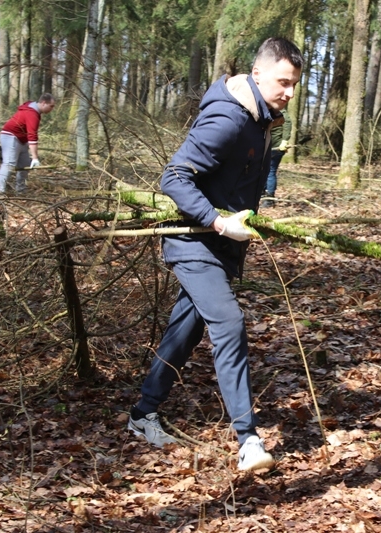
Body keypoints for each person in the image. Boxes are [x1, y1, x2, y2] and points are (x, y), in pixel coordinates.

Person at [127, 38, 303, 472]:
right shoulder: (228, 118)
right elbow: (174, 177)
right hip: (193, 243)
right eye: (283, 82)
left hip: (220, 246)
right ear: (257, 74)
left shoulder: (262, 118)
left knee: (185, 330)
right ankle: (248, 440)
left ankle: (143, 413)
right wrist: (219, 222)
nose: (289, 92)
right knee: (229, 323)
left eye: (295, 85)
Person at [0, 93, 56, 194]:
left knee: (25, 164)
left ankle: (20, 190)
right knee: (9, 163)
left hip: (22, 139)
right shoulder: (32, 114)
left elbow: (30, 135)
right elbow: (32, 136)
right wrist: (35, 157)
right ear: (43, 103)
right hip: (10, 136)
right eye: (51, 106)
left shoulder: (34, 111)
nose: (52, 109)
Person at [261, 108, 291, 208]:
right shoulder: (266, 110)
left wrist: (285, 140)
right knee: (262, 170)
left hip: (276, 147)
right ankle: (262, 194)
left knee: (270, 171)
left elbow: (287, 124)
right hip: (264, 146)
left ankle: (269, 199)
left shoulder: (281, 112)